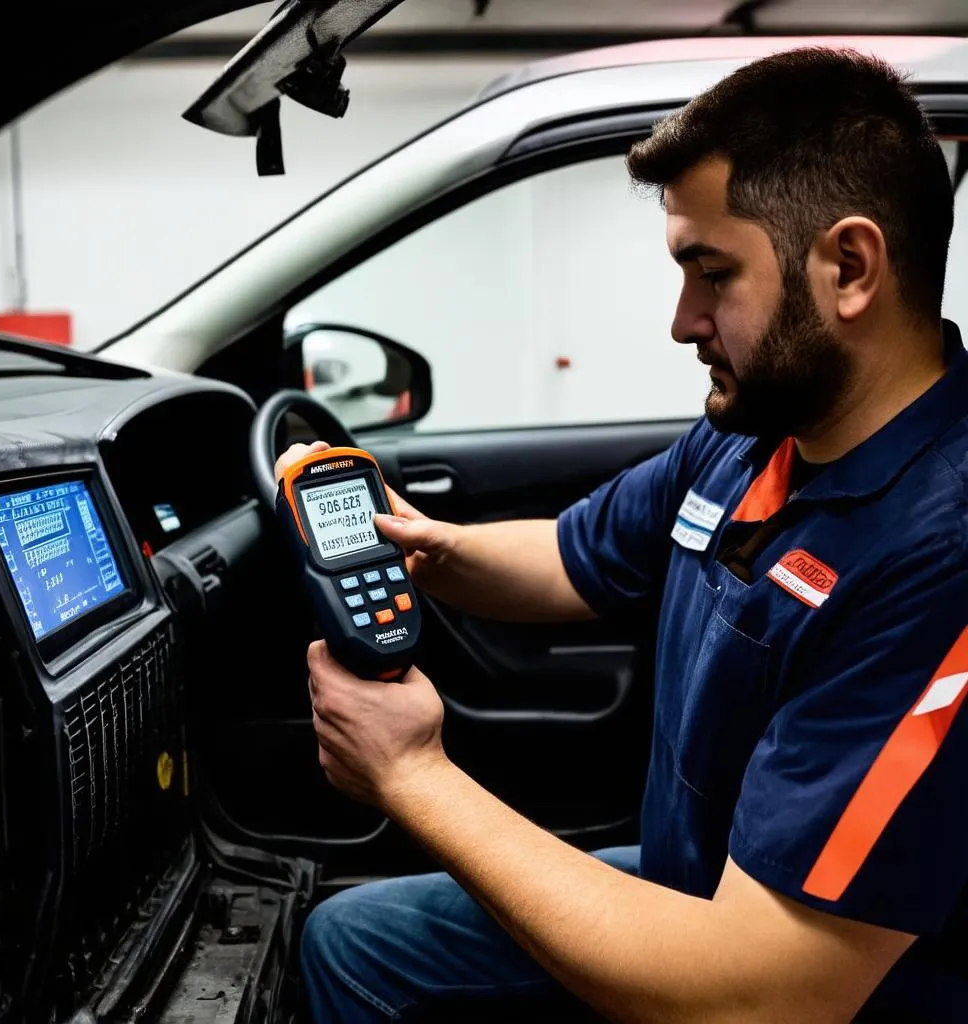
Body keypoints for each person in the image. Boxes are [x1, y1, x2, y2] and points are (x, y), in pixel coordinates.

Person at [282, 47, 968, 1022]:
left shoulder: (938, 561)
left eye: (710, 272)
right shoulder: (753, 441)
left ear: (848, 268)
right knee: (352, 938)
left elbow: (763, 998)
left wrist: (412, 776)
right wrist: (410, 546)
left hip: (805, 973)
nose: (681, 320)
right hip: (708, 886)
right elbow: (569, 556)